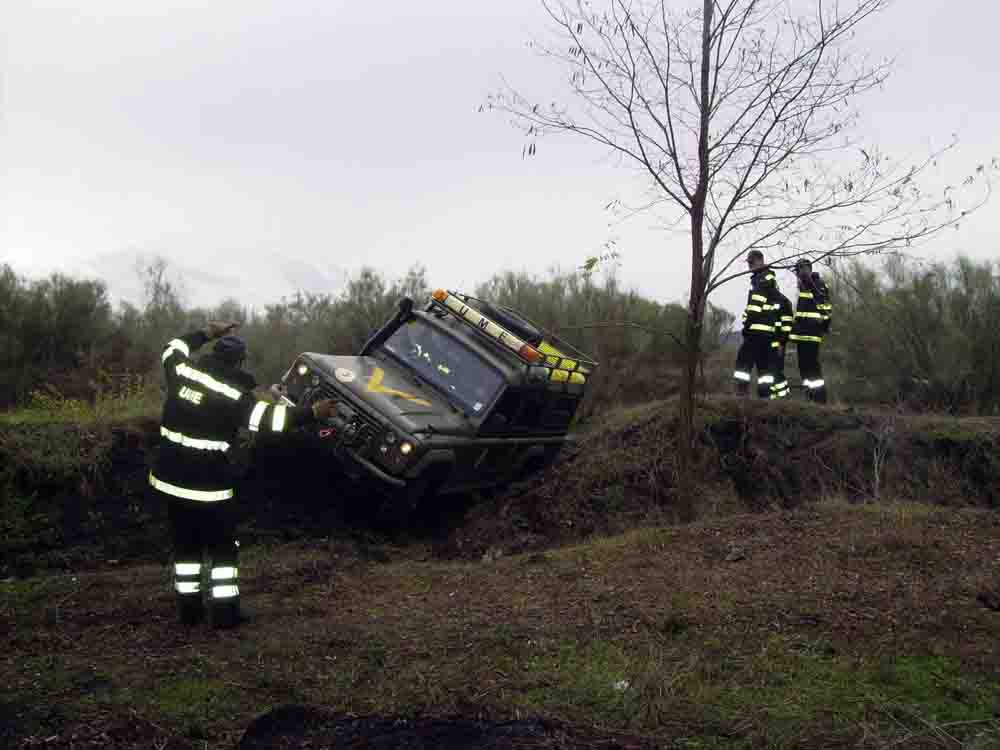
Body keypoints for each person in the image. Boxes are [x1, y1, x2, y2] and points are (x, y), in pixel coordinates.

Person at [150, 321, 338, 628]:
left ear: (212, 353)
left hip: (170, 481)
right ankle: (225, 616)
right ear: (239, 362)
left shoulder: (181, 371)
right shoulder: (234, 396)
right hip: (208, 486)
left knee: (186, 547)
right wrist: (312, 413)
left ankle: (189, 612)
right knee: (222, 550)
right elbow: (270, 420)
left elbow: (172, 347)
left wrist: (208, 331)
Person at [733, 250, 781, 398]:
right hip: (768, 333)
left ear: (760, 260)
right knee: (764, 368)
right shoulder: (769, 279)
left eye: (751, 263)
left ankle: (741, 395)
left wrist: (747, 326)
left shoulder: (762, 279)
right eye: (749, 263)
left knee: (743, 361)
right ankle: (765, 398)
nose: (750, 266)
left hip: (757, 331)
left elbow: (755, 306)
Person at [789, 258, 833, 403]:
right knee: (804, 368)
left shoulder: (818, 285)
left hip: (811, 334)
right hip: (802, 335)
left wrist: (824, 327)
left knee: (812, 368)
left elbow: (825, 308)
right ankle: (810, 398)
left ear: (808, 269)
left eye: (801, 270)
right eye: (798, 271)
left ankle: (820, 400)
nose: (799, 274)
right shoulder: (803, 288)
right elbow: (802, 313)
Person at [770, 289, 794, 399]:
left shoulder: (783, 301)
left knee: (776, 370)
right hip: (768, 342)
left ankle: (783, 397)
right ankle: (774, 397)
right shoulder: (769, 300)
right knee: (770, 371)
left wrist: (782, 342)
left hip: (778, 342)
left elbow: (787, 325)